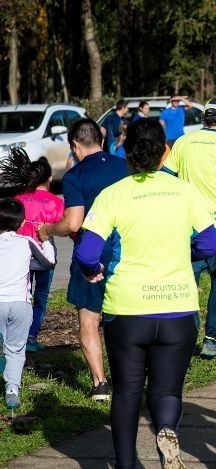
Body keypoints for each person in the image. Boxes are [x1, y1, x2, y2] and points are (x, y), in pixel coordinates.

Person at [73, 119, 216, 469]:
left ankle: (126, 464)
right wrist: (186, 254)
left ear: (124, 152)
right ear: (165, 152)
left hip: (128, 309)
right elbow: (211, 243)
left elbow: (86, 252)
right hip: (178, 307)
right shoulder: (185, 192)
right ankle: (166, 429)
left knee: (126, 391)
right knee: (167, 391)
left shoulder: (114, 195)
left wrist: (92, 271)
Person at [41, 118, 129, 401]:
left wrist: (47, 230)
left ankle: (100, 384)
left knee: (89, 320)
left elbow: (73, 223)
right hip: (126, 251)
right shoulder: (125, 167)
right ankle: (129, 378)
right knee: (123, 317)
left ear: (75, 146)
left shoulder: (75, 176)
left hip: (90, 255)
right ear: (101, 140)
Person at [162, 98, 216, 358]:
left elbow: (166, 177)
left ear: (204, 119)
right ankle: (211, 339)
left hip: (187, 227)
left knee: (189, 283)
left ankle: (184, 340)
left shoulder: (183, 143)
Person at [0, 149, 63, 353]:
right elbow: (64, 227)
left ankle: (12, 336)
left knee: (23, 296)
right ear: (50, 179)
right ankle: (31, 337)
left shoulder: (19, 198)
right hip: (44, 256)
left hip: (22, 256)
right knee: (41, 297)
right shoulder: (56, 203)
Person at [0, 198, 56, 409]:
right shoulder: (26, 242)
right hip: (20, 305)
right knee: (15, 349)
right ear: (22, 222)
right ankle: (12, 390)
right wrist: (46, 239)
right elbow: (48, 262)